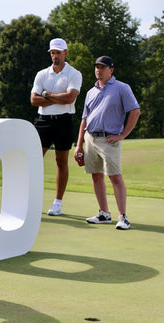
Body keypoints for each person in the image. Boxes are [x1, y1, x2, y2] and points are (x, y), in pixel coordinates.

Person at [74, 56, 140, 230]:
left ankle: (122, 217)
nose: (98, 70)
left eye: (102, 67)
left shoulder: (122, 88)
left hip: (109, 139)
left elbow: (135, 111)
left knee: (115, 177)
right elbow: (84, 120)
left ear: (111, 70)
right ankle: (104, 214)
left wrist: (123, 134)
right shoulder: (90, 91)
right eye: (96, 67)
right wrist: (79, 145)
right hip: (90, 138)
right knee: (96, 175)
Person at [30, 38, 82, 216]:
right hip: (43, 120)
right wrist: (56, 96)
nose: (55, 56)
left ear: (65, 53)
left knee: (61, 161)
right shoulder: (42, 74)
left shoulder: (74, 74)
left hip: (64, 121)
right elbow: (33, 100)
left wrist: (46, 94)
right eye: (53, 53)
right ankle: (30, 198)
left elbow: (69, 98)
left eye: (58, 53)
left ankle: (57, 203)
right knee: (35, 160)